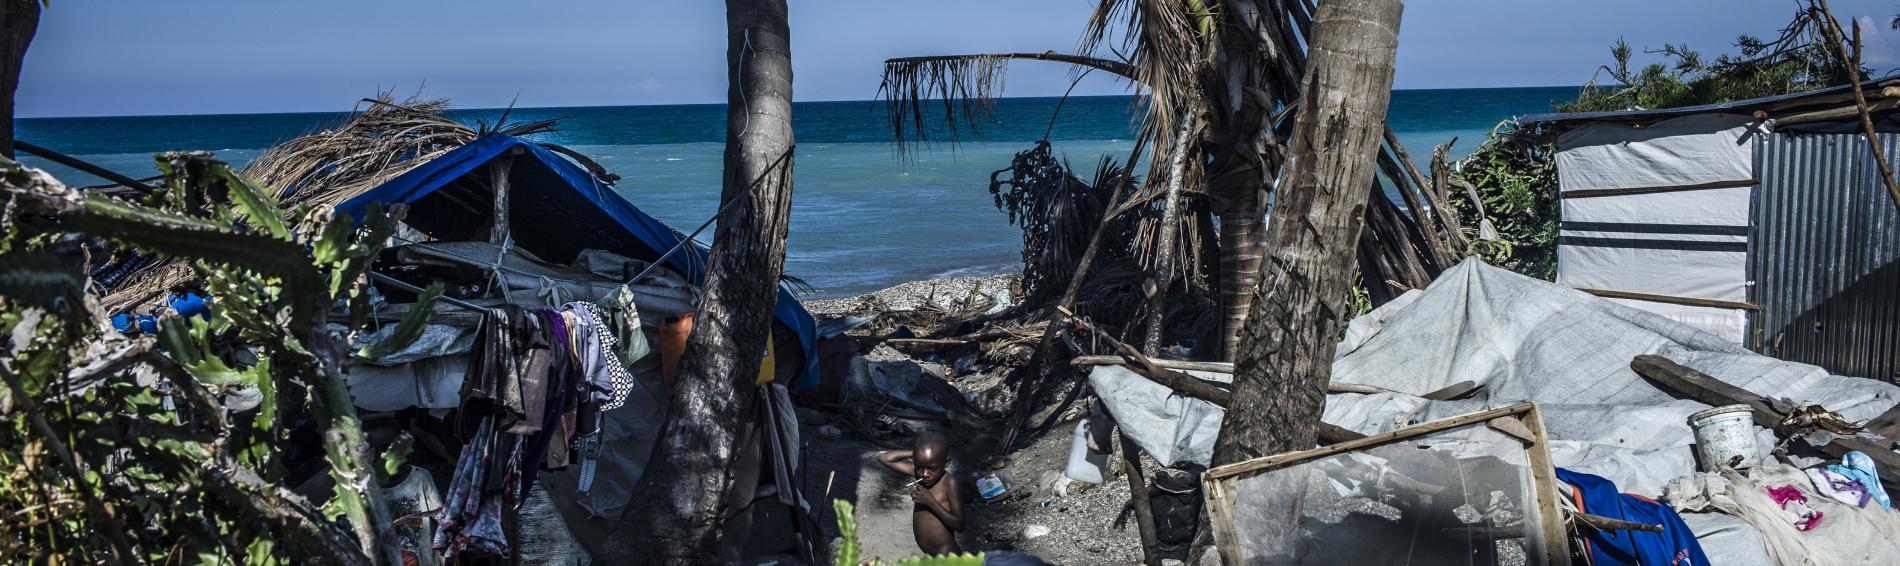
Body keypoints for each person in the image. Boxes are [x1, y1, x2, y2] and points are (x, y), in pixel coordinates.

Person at [876, 431, 966, 555]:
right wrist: (917, 454)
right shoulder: (919, 472)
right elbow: (884, 458)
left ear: (946, 463)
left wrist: (930, 501)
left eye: (932, 468)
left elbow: (959, 524)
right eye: (919, 466)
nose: (924, 474)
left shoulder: (949, 482)